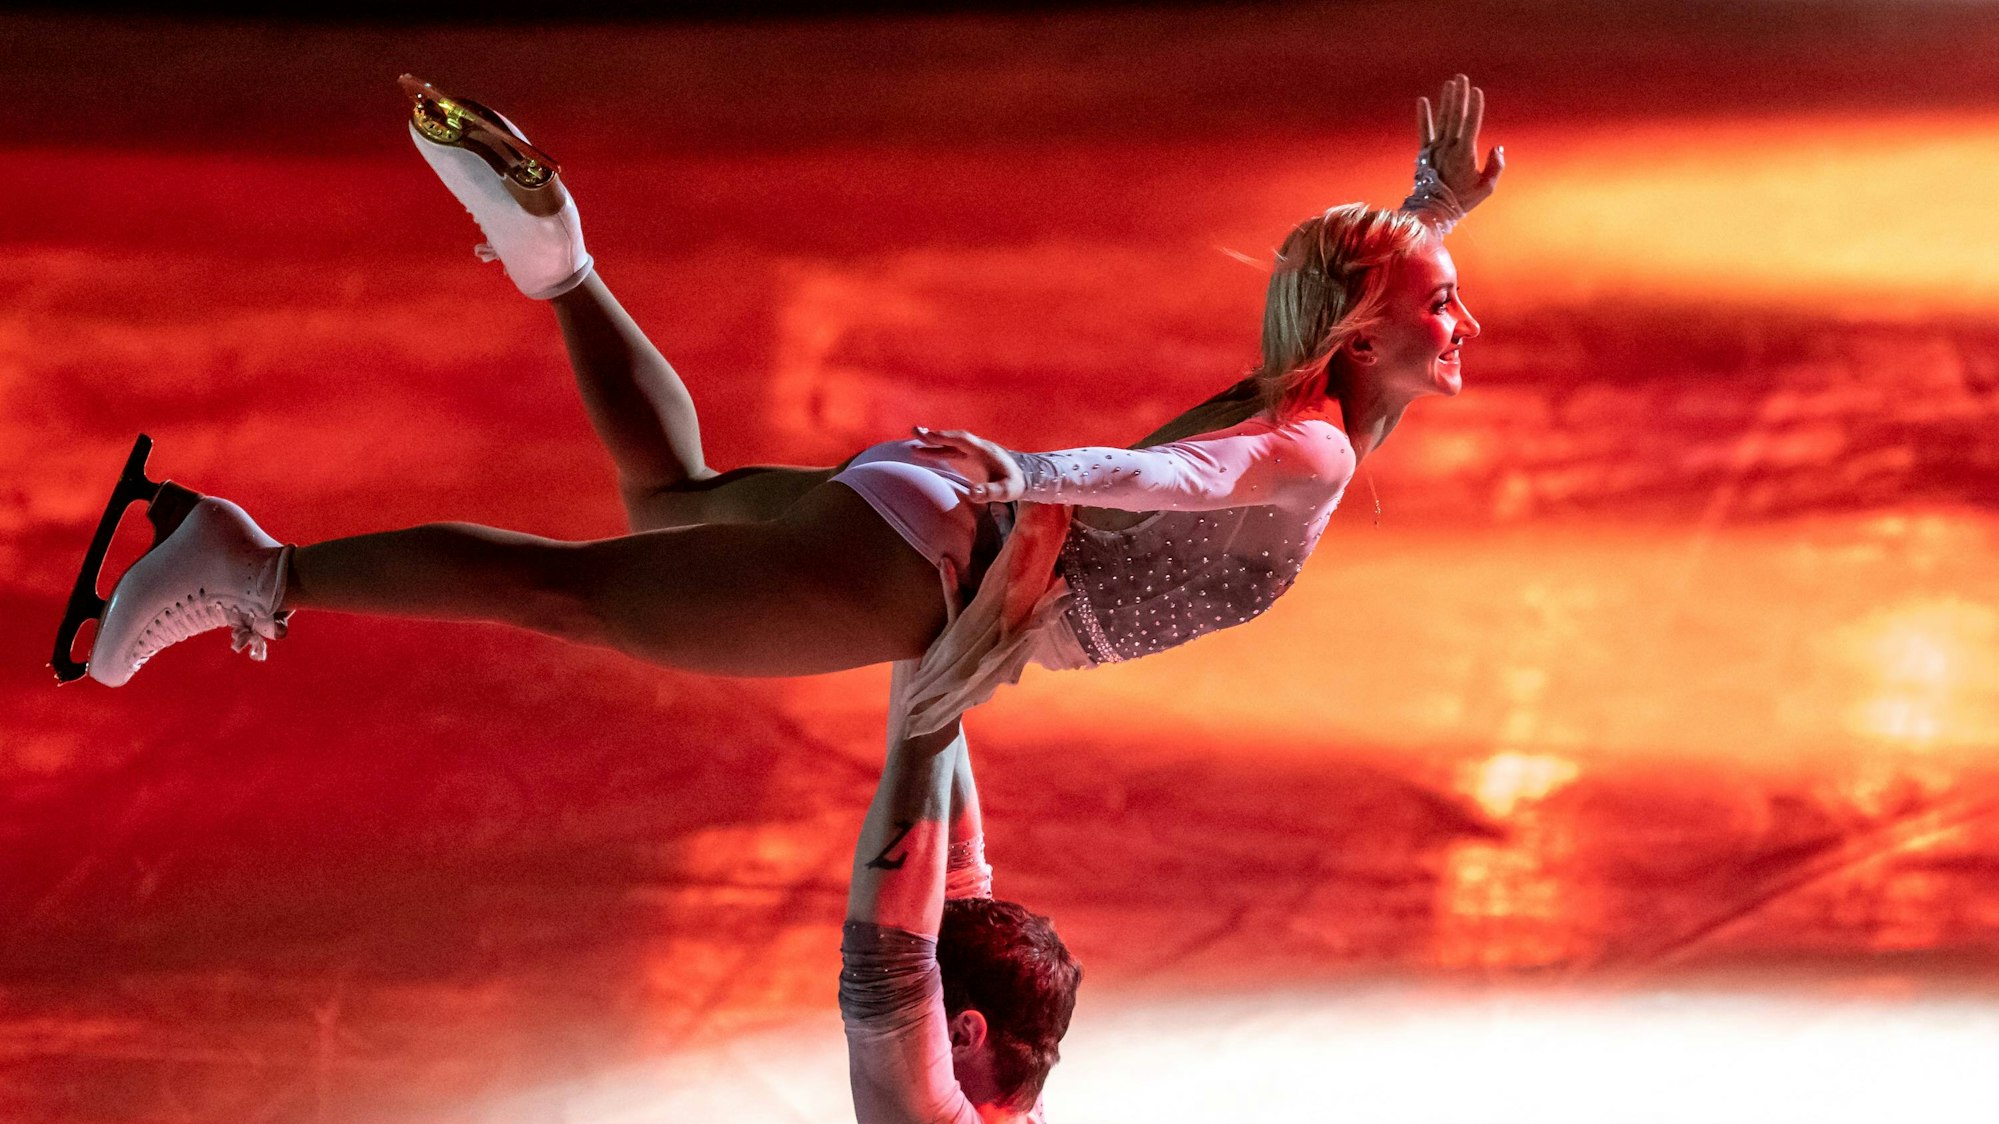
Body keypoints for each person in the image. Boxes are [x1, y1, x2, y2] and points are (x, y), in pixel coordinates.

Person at [57, 74, 1502, 749]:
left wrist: (1427, 210)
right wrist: (1025, 466)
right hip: (938, 557)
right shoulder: (1301, 439)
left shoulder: (1316, 392)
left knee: (672, 507)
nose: (1464, 320)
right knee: (568, 596)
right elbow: (1175, 479)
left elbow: (1339, 317)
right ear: (1367, 330)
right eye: (1439, 302)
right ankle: (255, 565)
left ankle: (559, 261)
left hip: (919, 519)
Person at [842, 720, 1080, 1123]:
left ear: (963, 1034)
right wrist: (940, 687)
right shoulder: (1014, 1095)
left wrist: (939, 683)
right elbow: (960, 879)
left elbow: (887, 956)